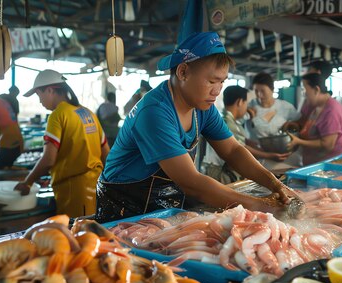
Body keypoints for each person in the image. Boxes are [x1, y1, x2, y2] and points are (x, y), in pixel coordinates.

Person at [97, 32, 300, 222]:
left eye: (221, 82)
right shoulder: (154, 112)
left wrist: (276, 185)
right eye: (212, 81)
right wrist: (261, 206)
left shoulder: (202, 107)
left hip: (164, 201)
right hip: (124, 206)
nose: (217, 91)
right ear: (183, 71)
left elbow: (233, 150)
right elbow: (191, 182)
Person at [14, 70, 110, 217]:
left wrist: (28, 182)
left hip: (73, 192)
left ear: (50, 90)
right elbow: (106, 154)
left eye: (39, 95)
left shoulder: (58, 115)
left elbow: (48, 159)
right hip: (97, 188)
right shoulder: (88, 113)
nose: (40, 101)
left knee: (77, 236)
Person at [202, 85, 289, 184]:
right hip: (217, 173)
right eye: (246, 103)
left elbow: (241, 139)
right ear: (240, 102)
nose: (246, 107)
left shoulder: (227, 118)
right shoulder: (227, 122)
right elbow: (240, 148)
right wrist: (269, 156)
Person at [286, 73, 342, 166]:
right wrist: (295, 125)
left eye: (305, 90)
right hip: (314, 163)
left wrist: (299, 142)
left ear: (316, 90)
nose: (304, 94)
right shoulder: (315, 106)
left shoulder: (332, 111)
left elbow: (328, 145)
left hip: (328, 166)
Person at [247, 72, 299, 141]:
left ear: (272, 89)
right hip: (256, 149)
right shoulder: (250, 106)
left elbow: (298, 124)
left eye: (263, 91)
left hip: (280, 147)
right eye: (256, 91)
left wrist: (290, 126)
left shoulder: (285, 107)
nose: (259, 95)